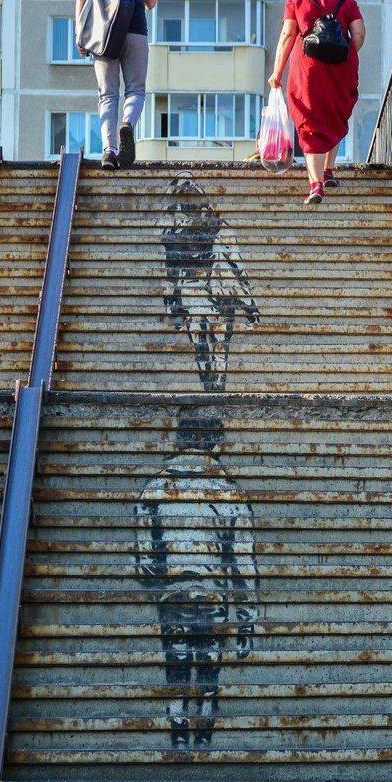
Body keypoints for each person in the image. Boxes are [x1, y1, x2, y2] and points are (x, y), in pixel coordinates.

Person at [133, 408, 259, 752]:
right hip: (212, 599)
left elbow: (145, 565)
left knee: (176, 671)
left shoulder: (155, 488)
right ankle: (203, 740)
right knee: (207, 672)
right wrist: (246, 621)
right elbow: (243, 564)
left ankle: (177, 738)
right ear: (215, 444)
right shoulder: (230, 491)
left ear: (179, 440)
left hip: (173, 598)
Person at [268, 0, 366, 207]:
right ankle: (328, 170)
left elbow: (288, 35)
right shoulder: (347, 1)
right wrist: (347, 54)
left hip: (308, 69)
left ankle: (316, 184)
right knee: (334, 114)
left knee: (309, 120)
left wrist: (277, 71)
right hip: (341, 68)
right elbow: (359, 33)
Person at [158, 174, 260, 392]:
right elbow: (171, 272)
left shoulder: (184, 231)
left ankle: (213, 393)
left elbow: (235, 263)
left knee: (209, 348)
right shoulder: (178, 233)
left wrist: (249, 305)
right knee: (211, 348)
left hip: (211, 293)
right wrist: (250, 305)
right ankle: (213, 394)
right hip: (204, 293)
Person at [75, 0, 159, 170]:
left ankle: (109, 152)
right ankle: (128, 124)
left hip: (103, 34)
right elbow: (152, 0)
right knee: (135, 90)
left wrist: (80, 32)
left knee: (107, 94)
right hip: (136, 30)